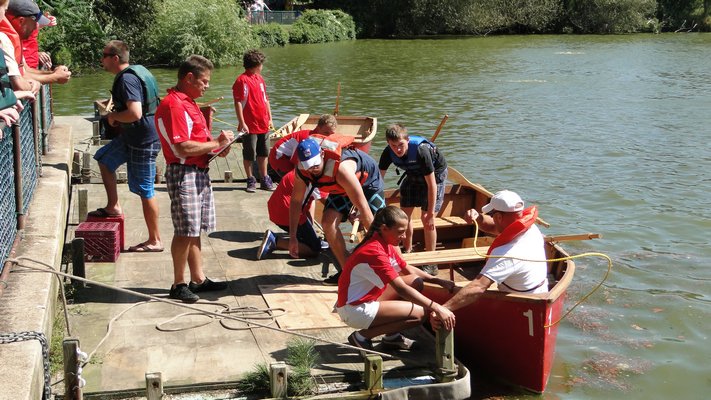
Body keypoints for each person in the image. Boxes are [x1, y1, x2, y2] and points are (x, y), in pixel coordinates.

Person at [155, 55, 234, 303]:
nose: (207, 86)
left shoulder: (188, 102)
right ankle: (178, 283)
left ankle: (197, 279)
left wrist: (219, 147)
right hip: (184, 172)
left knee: (194, 229)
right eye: (204, 81)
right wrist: (216, 143)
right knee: (185, 229)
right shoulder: (175, 105)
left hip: (197, 171)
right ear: (189, 78)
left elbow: (199, 144)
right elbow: (182, 148)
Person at [336, 206, 456, 352]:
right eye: (400, 232)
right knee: (420, 314)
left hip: (366, 299)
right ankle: (362, 336)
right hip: (353, 309)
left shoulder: (385, 243)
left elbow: (408, 270)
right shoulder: (374, 251)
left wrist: (437, 280)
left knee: (415, 281)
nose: (404, 237)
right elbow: (401, 288)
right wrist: (437, 307)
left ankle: (391, 337)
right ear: (384, 228)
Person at [430, 190, 549, 328]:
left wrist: (443, 309)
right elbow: (495, 227)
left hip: (521, 303)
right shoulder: (531, 229)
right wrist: (479, 218)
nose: (491, 218)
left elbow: (478, 287)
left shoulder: (506, 254)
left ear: (498, 216)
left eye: (491, 215)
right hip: (541, 293)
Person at [87, 40, 163, 252]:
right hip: (133, 135)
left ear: (115, 58)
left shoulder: (127, 80)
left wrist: (113, 116)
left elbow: (135, 113)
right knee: (104, 159)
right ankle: (113, 206)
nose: (101, 59)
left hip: (143, 138)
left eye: (104, 55)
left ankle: (155, 240)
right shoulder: (135, 73)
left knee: (145, 189)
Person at [290, 137, 385, 285]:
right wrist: (292, 237)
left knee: (381, 227)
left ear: (322, 154)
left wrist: (377, 239)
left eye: (315, 165)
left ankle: (389, 268)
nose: (312, 170)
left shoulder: (341, 169)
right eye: (307, 166)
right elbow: (296, 202)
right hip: (339, 188)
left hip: (367, 182)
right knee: (328, 223)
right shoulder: (301, 171)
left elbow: (364, 209)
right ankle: (347, 271)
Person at [379, 123, 448, 275]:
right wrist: (374, 204)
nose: (397, 149)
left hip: (434, 176)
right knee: (403, 216)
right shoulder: (387, 153)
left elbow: (431, 185)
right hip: (413, 174)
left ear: (408, 140)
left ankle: (431, 262)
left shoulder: (421, 151)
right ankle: (408, 251)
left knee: (426, 220)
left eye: (401, 145)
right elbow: (378, 180)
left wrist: (430, 213)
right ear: (388, 144)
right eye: (393, 145)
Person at [0, 0, 71, 93]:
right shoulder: (4, 39)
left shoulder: (16, 39)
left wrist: (53, 73)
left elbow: (25, 71)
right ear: (21, 21)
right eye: (35, 22)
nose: (36, 27)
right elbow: (18, 84)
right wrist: (54, 77)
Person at [257, 169, 327, 260]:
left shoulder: (303, 167)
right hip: (287, 212)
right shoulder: (318, 177)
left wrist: (310, 231)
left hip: (275, 207)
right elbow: (331, 205)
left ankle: (279, 241)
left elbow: (310, 202)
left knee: (310, 239)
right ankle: (275, 241)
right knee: (314, 250)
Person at [232, 49, 274, 192]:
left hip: (263, 122)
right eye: (261, 64)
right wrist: (242, 122)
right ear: (257, 64)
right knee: (249, 153)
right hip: (250, 124)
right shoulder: (242, 80)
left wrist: (270, 118)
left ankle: (265, 178)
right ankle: (250, 179)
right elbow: (238, 102)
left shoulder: (260, 79)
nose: (262, 67)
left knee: (264, 153)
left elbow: (265, 99)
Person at [268, 114, 338, 178]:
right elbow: (296, 162)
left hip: (289, 157)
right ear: (318, 128)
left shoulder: (318, 138)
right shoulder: (305, 139)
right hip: (279, 159)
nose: (328, 136)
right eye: (326, 133)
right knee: (302, 176)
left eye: (331, 134)